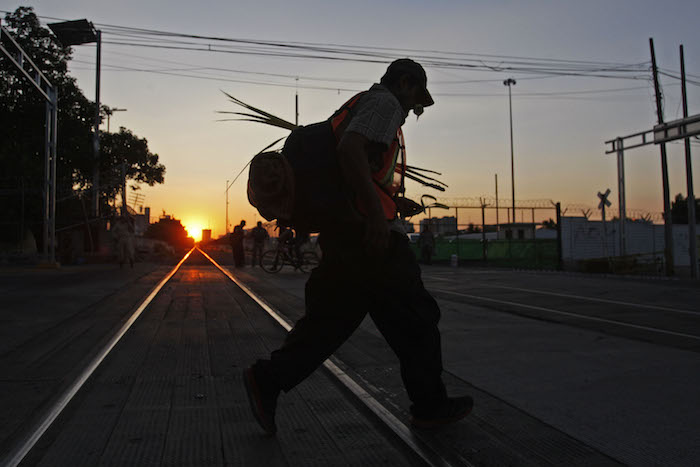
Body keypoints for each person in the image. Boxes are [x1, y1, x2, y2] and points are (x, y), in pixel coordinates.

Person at [244, 59, 472, 435]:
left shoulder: (358, 106)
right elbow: (350, 151)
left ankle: (267, 380)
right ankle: (430, 406)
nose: (416, 109)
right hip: (369, 237)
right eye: (417, 97)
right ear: (404, 83)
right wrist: (377, 219)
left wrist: (393, 204)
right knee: (416, 319)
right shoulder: (384, 104)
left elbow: (353, 171)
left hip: (349, 231)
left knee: (332, 323)